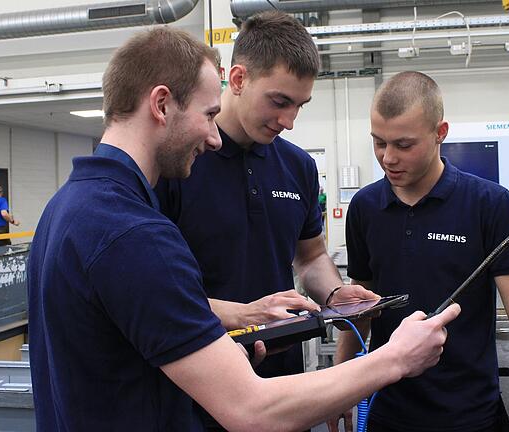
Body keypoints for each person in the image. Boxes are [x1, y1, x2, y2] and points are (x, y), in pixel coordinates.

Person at [27, 27, 460, 431]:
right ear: (161, 105)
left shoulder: (65, 210)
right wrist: (395, 358)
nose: (214, 138)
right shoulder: (134, 233)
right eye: (208, 113)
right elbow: (250, 408)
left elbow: (142, 312)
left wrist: (243, 318)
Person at [329, 72, 509, 432]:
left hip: (469, 414)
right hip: (386, 407)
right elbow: (360, 307)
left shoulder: (490, 204)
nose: (387, 158)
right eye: (379, 142)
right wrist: (338, 387)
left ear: (440, 133)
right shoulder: (365, 207)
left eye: (404, 145)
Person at [154, 10, 378, 413]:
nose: (289, 121)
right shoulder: (179, 162)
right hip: (196, 383)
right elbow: (154, 293)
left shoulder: (298, 167)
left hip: (283, 378)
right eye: (279, 102)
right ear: (238, 80)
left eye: (299, 105)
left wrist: (334, 294)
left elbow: (309, 256)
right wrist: (240, 316)